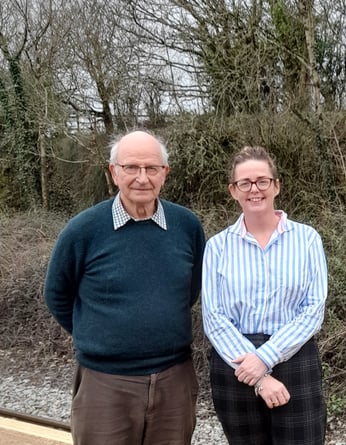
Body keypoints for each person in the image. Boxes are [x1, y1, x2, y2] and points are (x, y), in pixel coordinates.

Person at [44, 130, 206, 445]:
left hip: (175, 380)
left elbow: (191, 290)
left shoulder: (187, 227)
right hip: (105, 384)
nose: (141, 178)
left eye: (151, 168)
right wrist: (99, 334)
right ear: (114, 172)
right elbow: (57, 294)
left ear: (165, 173)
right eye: (131, 167)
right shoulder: (83, 231)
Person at [201, 145, 328, 445]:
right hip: (235, 363)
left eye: (262, 181)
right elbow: (214, 318)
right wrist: (257, 375)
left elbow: (313, 309)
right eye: (244, 183)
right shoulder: (217, 247)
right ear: (233, 190)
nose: (253, 189)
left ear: (276, 186)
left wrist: (265, 358)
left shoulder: (307, 239)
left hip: (294, 357)